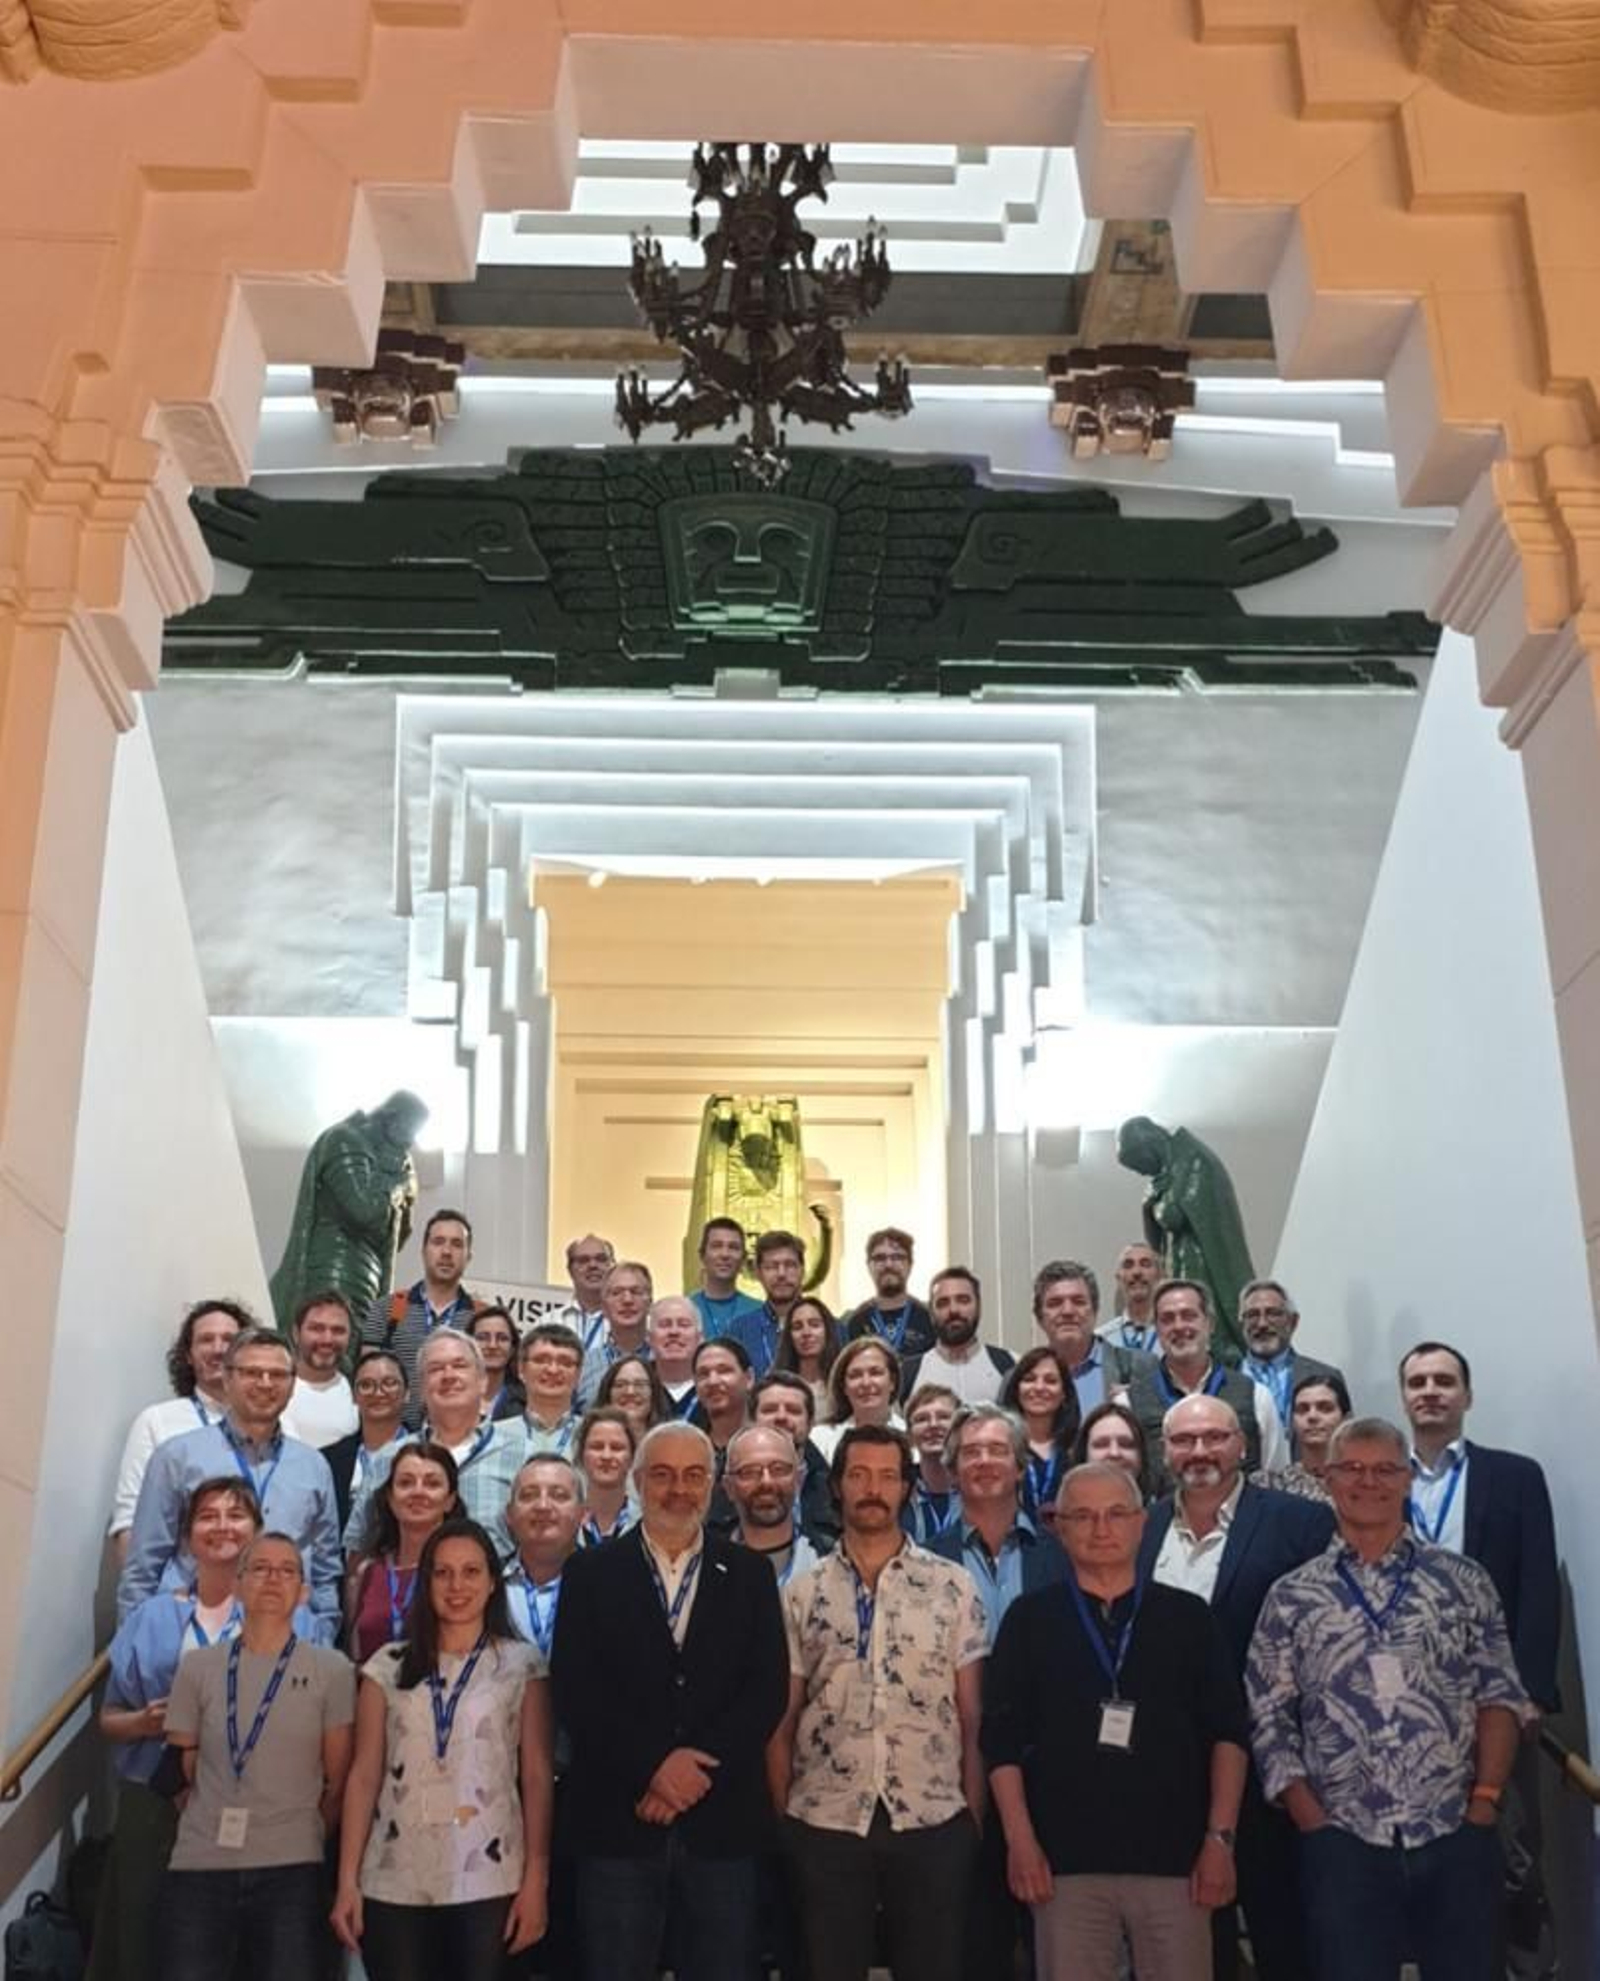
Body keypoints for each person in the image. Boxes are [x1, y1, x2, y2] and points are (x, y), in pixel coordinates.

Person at [1246, 1416, 1532, 1981]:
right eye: (1352, 1468)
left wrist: (1485, 1802)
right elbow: (1268, 1712)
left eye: (1384, 1470)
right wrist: (1308, 1814)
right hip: (1342, 1838)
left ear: (1406, 1480)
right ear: (1328, 1479)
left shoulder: (1463, 1580)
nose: (1368, 1482)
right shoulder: (1292, 1595)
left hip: (1453, 1828)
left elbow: (1499, 1694)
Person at [984, 1462, 1248, 1981]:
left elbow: (1228, 1735)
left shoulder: (1188, 1617)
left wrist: (1221, 1840)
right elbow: (1002, 1743)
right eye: (1082, 1515)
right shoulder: (1029, 1620)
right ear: (1059, 1526)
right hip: (1064, 1866)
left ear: (1141, 1523)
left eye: (1116, 1513)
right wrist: (1021, 1842)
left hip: (1178, 1864)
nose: (1100, 1528)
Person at [551, 1422, 791, 1981]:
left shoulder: (751, 1575)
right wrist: (653, 1770)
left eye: (692, 1476)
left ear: (713, 1485)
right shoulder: (590, 1572)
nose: (678, 1490)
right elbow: (576, 1688)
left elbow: (767, 1689)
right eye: (662, 1475)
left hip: (723, 1822)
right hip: (618, 1818)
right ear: (637, 1481)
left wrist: (693, 1772)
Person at [772, 1423, 987, 1981]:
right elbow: (782, 1719)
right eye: (859, 1475)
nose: (873, 1488)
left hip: (931, 1816)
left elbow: (973, 1716)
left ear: (907, 1489)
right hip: (825, 1819)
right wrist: (785, 1820)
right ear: (837, 1487)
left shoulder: (953, 1586)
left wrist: (972, 1821)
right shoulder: (802, 1591)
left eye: (888, 1476)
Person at [1141, 1394, 1333, 1981]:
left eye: (1214, 1438)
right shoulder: (1142, 1527)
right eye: (1183, 1440)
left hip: (1273, 1766)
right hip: (1172, 1770)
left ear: (1242, 1446)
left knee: (1284, 1936)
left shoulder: (1300, 1523)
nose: (1199, 1451)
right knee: (1198, 1943)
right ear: (1165, 1451)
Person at [91, 1477, 313, 1981]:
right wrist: (147, 1722)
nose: (222, 1527)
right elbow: (109, 1719)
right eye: (207, 1516)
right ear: (188, 1536)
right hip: (154, 1798)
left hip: (253, 1806)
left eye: (236, 1515)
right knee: (142, 1934)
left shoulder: (294, 1620)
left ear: (257, 1531)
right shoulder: (152, 1616)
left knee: (233, 1948)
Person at [1399, 1340, 1562, 1976]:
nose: (1431, 1391)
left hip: (1497, 1700)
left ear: (1467, 1396)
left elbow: (1538, 1589)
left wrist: (1532, 1692)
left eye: (1444, 1380)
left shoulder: (1515, 1476)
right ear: (1404, 1396)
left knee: (1511, 1850)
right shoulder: (1383, 1476)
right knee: (1429, 1858)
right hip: (1408, 1705)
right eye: (1418, 1382)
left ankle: (1525, 1968)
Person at [332, 1518, 553, 1978]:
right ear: (426, 1581)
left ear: (493, 1581)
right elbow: (364, 1776)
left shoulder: (521, 1664)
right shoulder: (385, 1666)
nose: (457, 1585)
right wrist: (347, 1881)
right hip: (393, 1877)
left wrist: (537, 1877)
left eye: (471, 1572)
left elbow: (534, 1775)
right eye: (443, 1572)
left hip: (490, 1876)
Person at [158, 1531, 355, 1980]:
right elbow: (183, 1770)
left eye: (288, 1571)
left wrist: (300, 1830)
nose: (273, 1579)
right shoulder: (198, 1668)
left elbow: (338, 1779)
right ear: (238, 1583)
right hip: (200, 1865)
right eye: (260, 1568)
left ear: (304, 1592)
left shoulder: (332, 1670)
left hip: (291, 1866)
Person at [120, 1327, 342, 1642]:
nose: (265, 1384)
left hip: (286, 1638)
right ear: (227, 1379)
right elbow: (143, 1565)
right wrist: (135, 1643)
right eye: (252, 1372)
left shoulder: (313, 1466)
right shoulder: (178, 1456)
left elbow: (325, 1568)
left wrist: (323, 1633)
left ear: (293, 1385)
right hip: (191, 1634)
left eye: (278, 1375)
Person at [343, 1330, 526, 1558]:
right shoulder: (388, 1460)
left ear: (482, 1381)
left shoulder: (523, 1455)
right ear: (421, 1389)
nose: (448, 1375)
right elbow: (358, 1552)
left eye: (459, 1365)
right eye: (436, 1369)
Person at [109, 1299, 252, 1562]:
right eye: (206, 1340)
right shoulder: (157, 1422)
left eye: (229, 1339)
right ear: (188, 1354)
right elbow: (128, 1524)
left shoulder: (281, 1427)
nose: (218, 1349)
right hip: (179, 1591)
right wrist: (148, 1602)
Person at [1124, 1279, 1287, 1487]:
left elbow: (1277, 1478)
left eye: (1189, 1316)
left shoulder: (1256, 1397)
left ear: (1210, 1323)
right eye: (1167, 1319)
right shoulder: (1129, 1403)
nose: (1179, 1326)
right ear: (1156, 1329)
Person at [358, 1208, 483, 1425]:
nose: (446, 1252)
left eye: (456, 1244)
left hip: (457, 1438)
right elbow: (366, 1380)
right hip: (394, 1438)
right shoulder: (387, 1309)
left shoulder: (481, 1317)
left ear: (468, 1256)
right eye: (438, 1242)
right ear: (424, 1251)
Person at [346, 1443, 461, 1662]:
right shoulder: (367, 1573)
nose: (418, 1492)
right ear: (390, 1497)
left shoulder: (461, 1574)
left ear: (450, 1500)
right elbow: (355, 1657)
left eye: (432, 1483)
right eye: (406, 1483)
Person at [1031, 1259, 1150, 1418]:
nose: (1067, 1311)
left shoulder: (1139, 1367)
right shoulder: (1020, 1379)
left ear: (1095, 1311)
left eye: (1078, 1302)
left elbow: (1157, 1437)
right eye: (1055, 1303)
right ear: (1039, 1317)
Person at [1236, 1279, 1346, 1445]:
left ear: (1293, 1322)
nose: (1262, 1323)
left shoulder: (1327, 1376)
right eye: (1252, 1315)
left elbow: (1345, 1441)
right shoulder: (1225, 1381)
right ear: (1242, 1324)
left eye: (1273, 1313)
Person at [322, 1349, 414, 1536]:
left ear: (407, 1394)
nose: (378, 1393)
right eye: (366, 1385)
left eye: (389, 1383)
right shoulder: (329, 1459)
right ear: (354, 1396)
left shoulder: (427, 1450)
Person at [504, 1456, 584, 1665]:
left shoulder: (610, 1582)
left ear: (582, 1514)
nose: (542, 1505)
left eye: (559, 1495)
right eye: (529, 1495)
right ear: (509, 1515)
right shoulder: (486, 1583)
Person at [898, 1266, 1015, 1405]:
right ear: (931, 1312)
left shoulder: (1010, 1365)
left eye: (963, 1300)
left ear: (979, 1306)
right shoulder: (907, 1373)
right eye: (943, 1303)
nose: (953, 1310)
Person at [752, 1371, 841, 1553]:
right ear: (752, 1422)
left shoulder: (837, 1490)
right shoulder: (726, 1486)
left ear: (810, 1424)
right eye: (769, 1410)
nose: (781, 1417)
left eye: (793, 1410)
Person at [724, 1423, 821, 1584]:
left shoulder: (827, 1562)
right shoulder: (706, 1569)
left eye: (779, 1469)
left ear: (799, 1479)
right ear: (729, 1487)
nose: (766, 1482)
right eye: (749, 1472)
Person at [1001, 1345, 1083, 1522]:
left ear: (1064, 1394)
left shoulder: (1079, 1450)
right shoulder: (1001, 1448)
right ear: (1016, 1389)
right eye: (1029, 1379)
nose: (1039, 1387)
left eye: (1051, 1381)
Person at [841, 1227, 934, 1359]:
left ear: (910, 1264)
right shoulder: (854, 1322)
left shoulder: (930, 1318)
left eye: (897, 1257)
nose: (888, 1264)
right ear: (869, 1265)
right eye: (880, 1258)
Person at [280, 1291, 358, 1449]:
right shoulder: (272, 1386)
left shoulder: (359, 1393)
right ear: (296, 1333)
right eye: (316, 1329)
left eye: (338, 1331)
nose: (327, 1340)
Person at [810, 1335, 903, 1464]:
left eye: (875, 1372)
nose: (865, 1383)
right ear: (844, 1387)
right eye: (855, 1375)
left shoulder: (913, 1438)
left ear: (892, 1381)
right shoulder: (820, 1438)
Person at [727, 1228, 807, 1377]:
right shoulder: (739, 1331)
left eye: (789, 1265)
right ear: (758, 1273)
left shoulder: (830, 1328)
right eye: (771, 1266)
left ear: (802, 1270)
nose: (781, 1274)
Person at [576, 1259, 653, 1409]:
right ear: (603, 1307)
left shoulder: (667, 1362)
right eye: (616, 1293)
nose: (627, 1300)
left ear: (650, 1303)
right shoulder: (583, 1366)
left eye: (636, 1292)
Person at [1266, 1372, 1352, 1503]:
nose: (1312, 1416)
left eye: (1325, 1408)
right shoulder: (1273, 1486)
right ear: (1292, 1421)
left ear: (1346, 1419)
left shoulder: (1366, 1481)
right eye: (1302, 1409)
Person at [516, 1321, 587, 1456]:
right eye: (541, 1360)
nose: (553, 1370)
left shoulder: (597, 1438)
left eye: (565, 1363)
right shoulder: (490, 1438)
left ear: (579, 1374)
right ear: (521, 1369)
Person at [903, 1381, 961, 1543]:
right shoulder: (898, 1494)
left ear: (961, 1429)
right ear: (909, 1436)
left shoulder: (980, 1491)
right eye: (922, 1419)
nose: (933, 1425)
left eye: (943, 1417)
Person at [689, 1216, 763, 1341]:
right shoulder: (686, 1309)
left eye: (733, 1247)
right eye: (717, 1246)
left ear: (743, 1258)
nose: (725, 1254)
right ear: (702, 1255)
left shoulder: (759, 1312)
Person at [574, 1406, 638, 1546]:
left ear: (632, 1457)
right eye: (597, 1447)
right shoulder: (566, 1521)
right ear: (581, 1455)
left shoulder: (647, 1522)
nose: (606, 1456)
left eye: (616, 1448)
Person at [1074, 1398, 1156, 1502]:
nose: (1114, 1453)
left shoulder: (1165, 1516)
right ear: (1084, 1455)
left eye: (1126, 1444)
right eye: (1101, 1444)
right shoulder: (1059, 1516)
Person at [771, 1294, 840, 1417]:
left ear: (827, 1330)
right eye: (797, 1327)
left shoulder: (843, 1383)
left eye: (814, 1325)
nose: (806, 1333)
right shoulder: (776, 1386)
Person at [553, 1233, 616, 1352]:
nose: (593, 1265)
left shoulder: (633, 1322)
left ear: (613, 1266)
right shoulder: (548, 1323)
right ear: (570, 1270)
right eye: (583, 1260)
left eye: (601, 1259)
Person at [646, 1296, 705, 1418]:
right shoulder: (638, 1387)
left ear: (700, 1338)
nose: (674, 1332)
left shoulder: (712, 1387)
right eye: (664, 1325)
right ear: (649, 1337)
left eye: (684, 1325)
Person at [464, 1304, 524, 1422]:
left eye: (502, 1338)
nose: (492, 1345)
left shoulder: (527, 1403)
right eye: (482, 1338)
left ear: (512, 1349)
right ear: (467, 1346)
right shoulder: (449, 1394)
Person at [1102, 1242, 1161, 1352]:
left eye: (1145, 1264)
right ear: (1118, 1278)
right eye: (1128, 1265)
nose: (1137, 1272)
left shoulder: (1173, 1334)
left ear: (1159, 1276)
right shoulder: (1102, 1339)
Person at [597, 1353, 673, 1435]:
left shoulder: (671, 1440)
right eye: (620, 1385)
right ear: (607, 1392)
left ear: (653, 1392)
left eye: (640, 1384)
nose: (630, 1392)